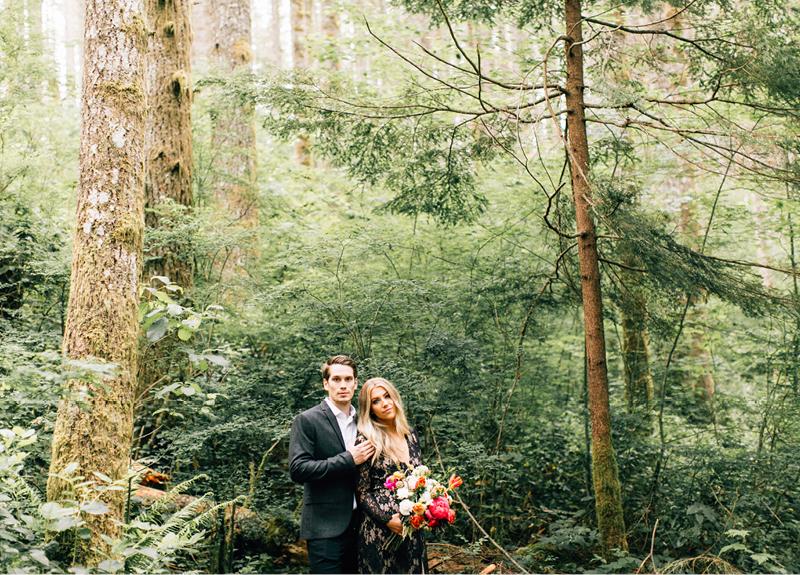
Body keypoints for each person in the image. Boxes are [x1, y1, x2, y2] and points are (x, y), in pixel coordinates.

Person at [288, 355, 376, 574]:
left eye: (348, 379)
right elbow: (298, 469)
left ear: (356, 383)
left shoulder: (364, 421)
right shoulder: (307, 420)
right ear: (326, 384)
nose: (343, 385)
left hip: (363, 525)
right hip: (324, 527)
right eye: (336, 379)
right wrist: (348, 459)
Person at [355, 377, 428, 574]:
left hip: (412, 529)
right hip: (380, 532)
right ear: (369, 409)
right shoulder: (367, 440)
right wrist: (387, 520)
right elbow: (361, 492)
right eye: (376, 401)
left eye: (387, 396)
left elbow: (419, 481)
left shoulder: (410, 434)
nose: (385, 403)